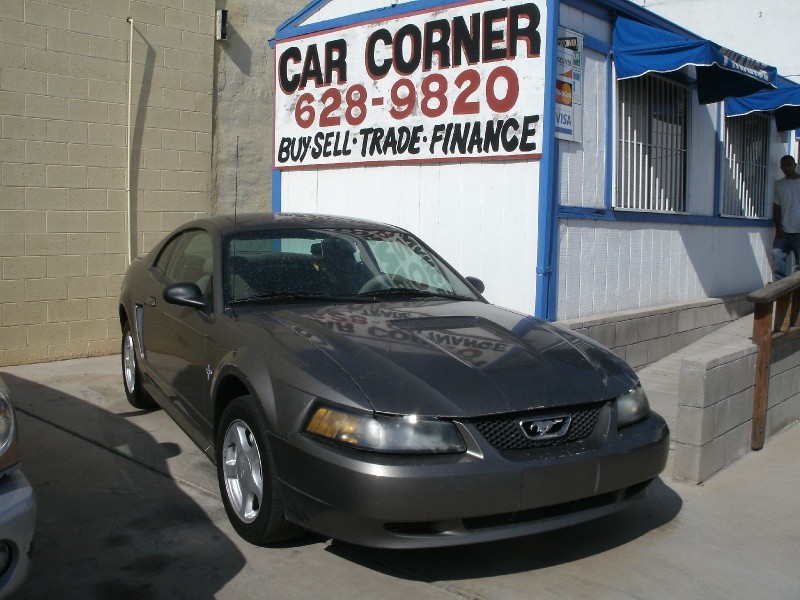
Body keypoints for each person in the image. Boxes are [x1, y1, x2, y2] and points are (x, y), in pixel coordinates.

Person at [772, 154, 800, 280]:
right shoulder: (779, 184)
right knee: (777, 259)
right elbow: (776, 207)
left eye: (789, 164)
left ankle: (796, 294)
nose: (786, 167)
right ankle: (780, 293)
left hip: (798, 230)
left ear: (795, 165)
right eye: (783, 165)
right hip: (783, 231)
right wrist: (778, 227)